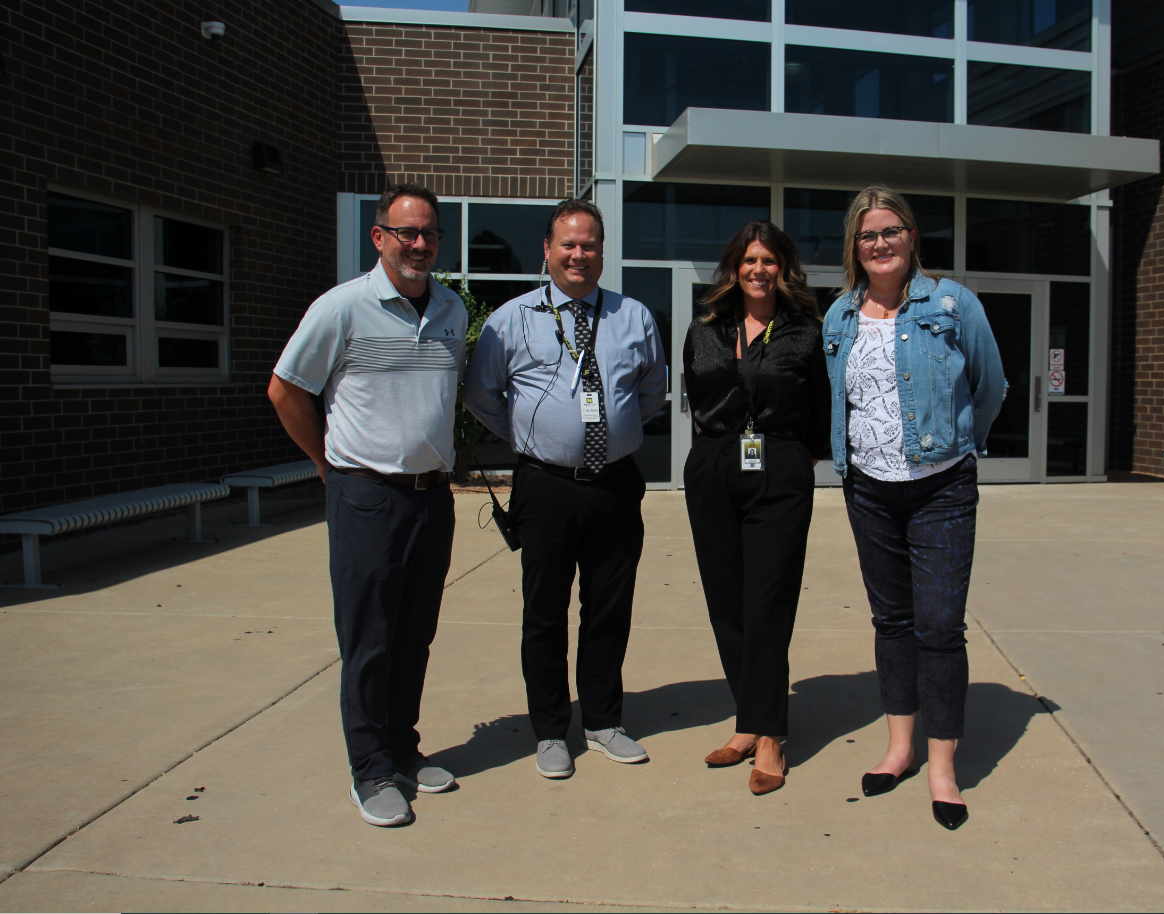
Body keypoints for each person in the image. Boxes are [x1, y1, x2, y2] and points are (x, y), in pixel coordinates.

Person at [268, 183, 467, 827]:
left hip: (432, 498)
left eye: (429, 232)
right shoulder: (343, 308)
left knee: (415, 633)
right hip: (367, 496)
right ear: (378, 237)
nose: (419, 243)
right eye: (406, 231)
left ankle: (403, 750)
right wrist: (328, 464)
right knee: (369, 637)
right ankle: (370, 769)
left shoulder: (451, 310)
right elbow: (285, 389)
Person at [821, 185, 1004, 830]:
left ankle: (942, 768)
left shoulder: (952, 303)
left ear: (911, 236)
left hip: (941, 488)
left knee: (939, 625)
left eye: (891, 231)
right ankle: (898, 748)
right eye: (868, 235)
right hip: (868, 488)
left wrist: (961, 444)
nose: (880, 244)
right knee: (892, 620)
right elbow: (841, 399)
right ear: (855, 245)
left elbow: (992, 384)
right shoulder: (839, 315)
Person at [464, 199, 667, 780]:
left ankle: (604, 720)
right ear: (547, 251)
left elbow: (651, 391)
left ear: (603, 252)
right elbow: (484, 396)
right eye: (568, 244)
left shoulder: (634, 317)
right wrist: (534, 435)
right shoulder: (512, 319)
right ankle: (551, 729)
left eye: (590, 245)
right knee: (545, 612)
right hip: (545, 486)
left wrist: (611, 430)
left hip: (615, 485)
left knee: (609, 608)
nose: (579, 254)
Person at [682, 221, 830, 796]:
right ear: (733, 269)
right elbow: (697, 397)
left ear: (784, 268)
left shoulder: (805, 332)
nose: (758, 270)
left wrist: (796, 458)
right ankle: (749, 719)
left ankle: (770, 738)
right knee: (727, 600)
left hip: (781, 466)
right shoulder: (705, 329)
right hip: (715, 465)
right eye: (748, 260)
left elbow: (820, 407)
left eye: (769, 260)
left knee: (767, 601)